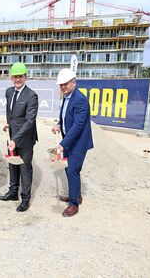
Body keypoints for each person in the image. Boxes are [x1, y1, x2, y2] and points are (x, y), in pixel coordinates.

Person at [52, 68, 93, 217]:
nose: (63, 87)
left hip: (78, 143)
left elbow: (77, 126)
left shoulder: (80, 100)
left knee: (72, 170)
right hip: (69, 141)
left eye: (66, 84)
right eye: (61, 85)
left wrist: (63, 143)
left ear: (73, 82)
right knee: (69, 170)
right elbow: (65, 117)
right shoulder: (67, 97)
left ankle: (74, 204)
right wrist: (59, 124)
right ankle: (76, 195)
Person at [0, 62, 38, 212]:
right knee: (12, 164)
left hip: (26, 139)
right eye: (15, 77)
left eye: (20, 76)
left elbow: (29, 121)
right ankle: (13, 192)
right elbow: (11, 112)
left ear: (25, 77)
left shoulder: (32, 96)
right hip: (12, 136)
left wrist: (15, 139)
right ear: (11, 78)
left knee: (25, 167)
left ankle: (25, 199)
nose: (17, 80)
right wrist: (9, 124)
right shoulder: (9, 92)